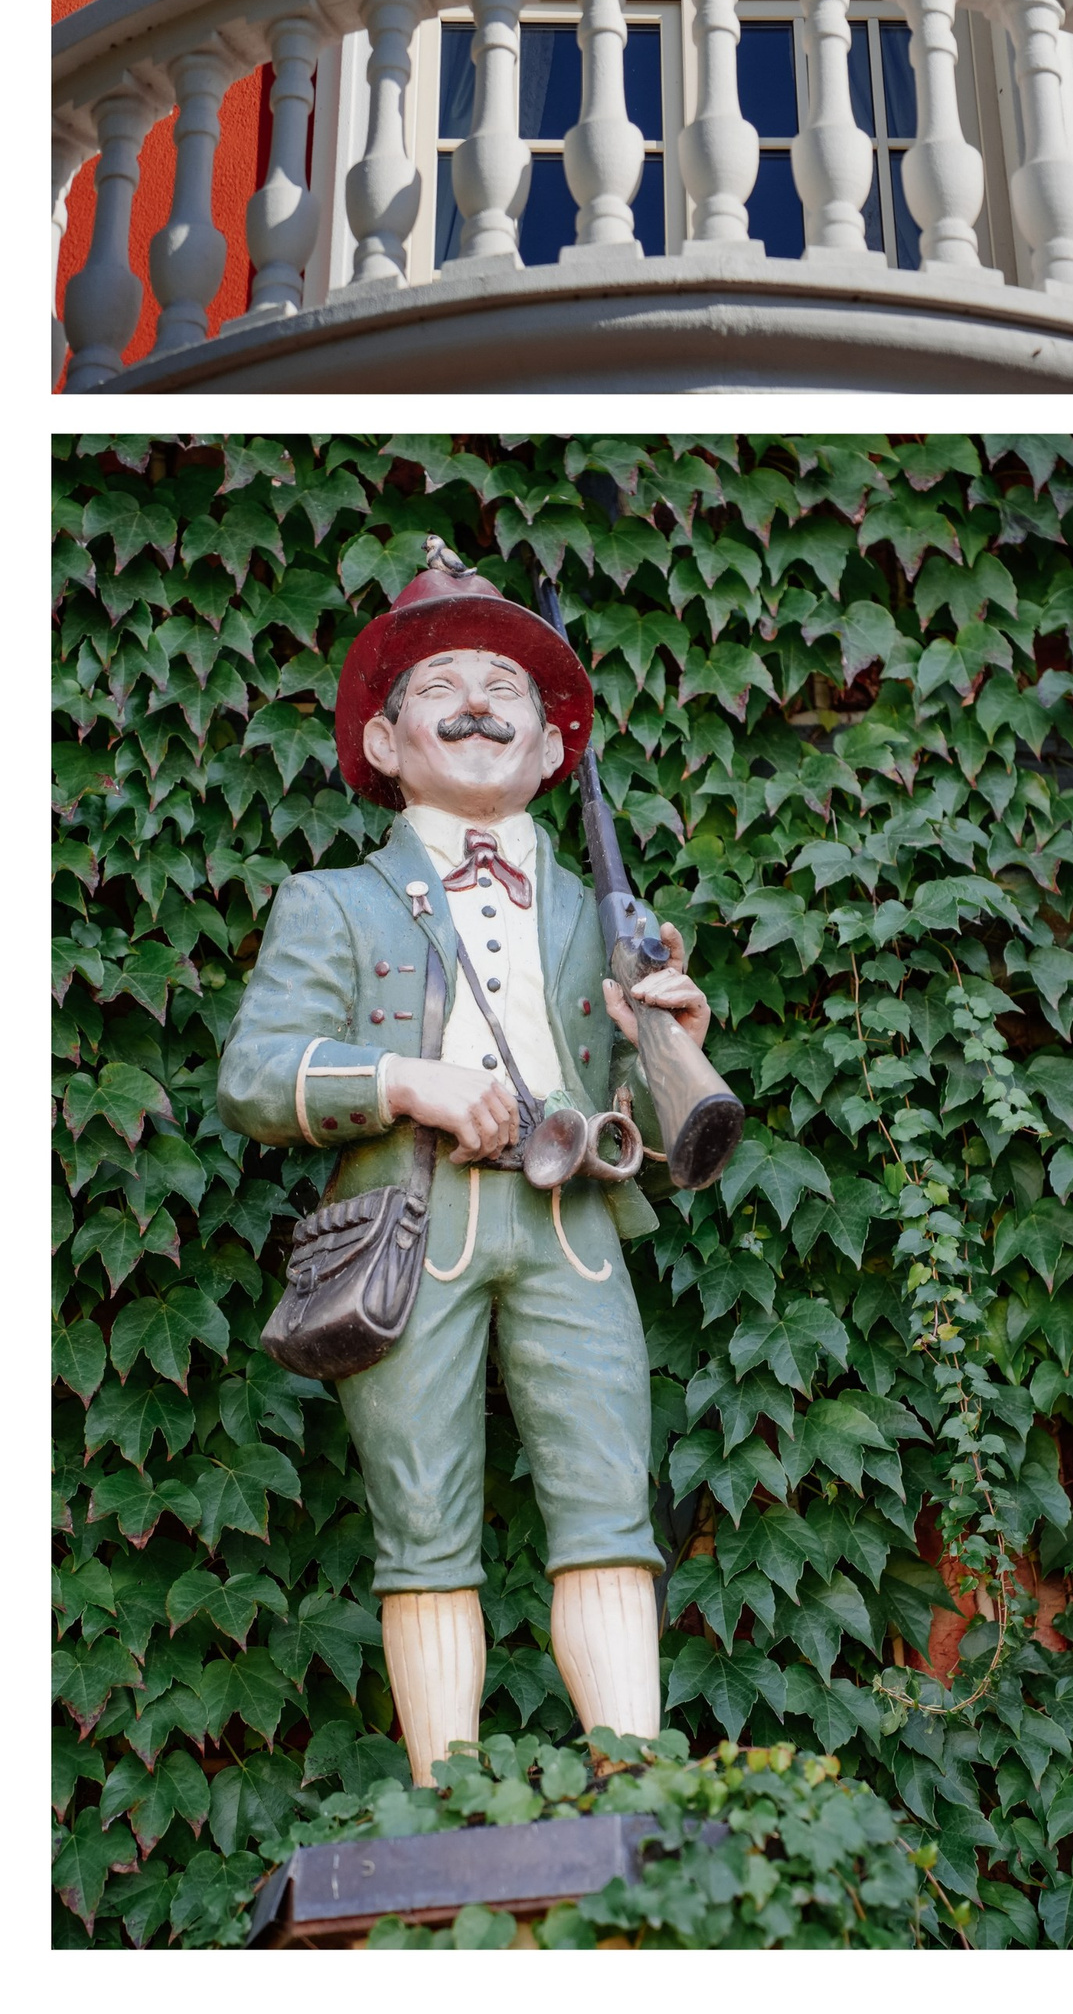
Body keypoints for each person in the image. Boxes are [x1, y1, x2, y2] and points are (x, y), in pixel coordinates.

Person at [217, 539, 728, 1785]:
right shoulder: (330, 900)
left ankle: (635, 1784)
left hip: (575, 1229)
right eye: (441, 682)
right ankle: (445, 1809)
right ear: (384, 744)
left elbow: (656, 1141)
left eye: (508, 688)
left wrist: (667, 1058)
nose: (479, 701)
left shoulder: (600, 908)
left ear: (555, 752)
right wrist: (408, 1080)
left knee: (610, 1508)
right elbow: (253, 1072)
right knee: (424, 1529)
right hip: (409, 1227)